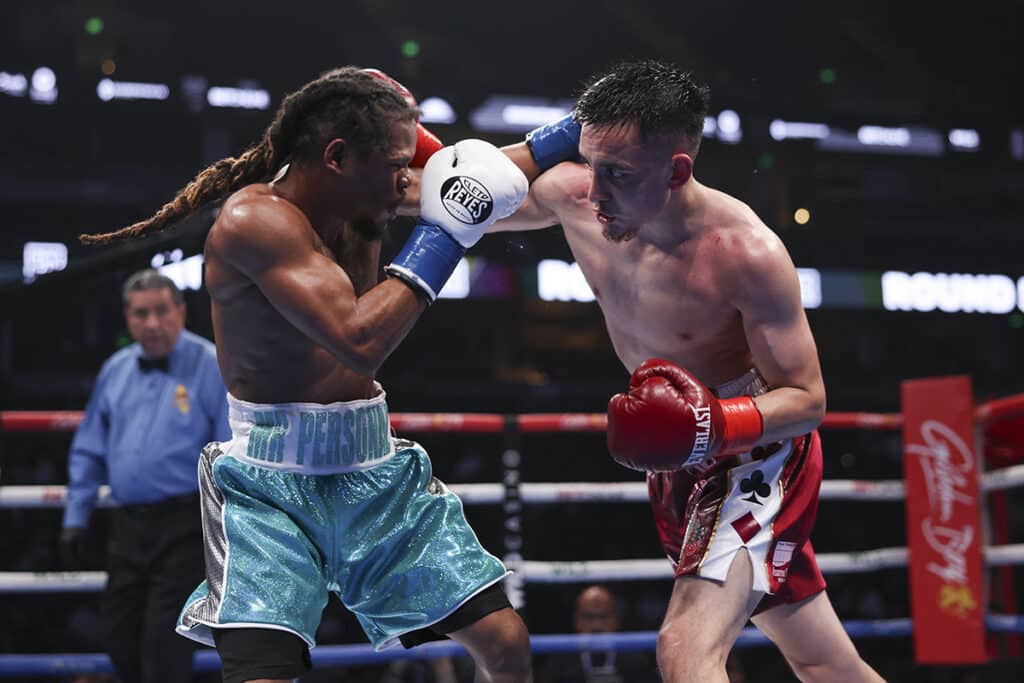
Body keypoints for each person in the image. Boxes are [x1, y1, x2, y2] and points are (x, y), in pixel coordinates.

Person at [80, 66, 532, 683]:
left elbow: (504, 172)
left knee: (506, 645)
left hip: (371, 465)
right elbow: (359, 338)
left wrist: (580, 139)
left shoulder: (371, 190)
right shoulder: (254, 222)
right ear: (339, 157)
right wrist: (447, 231)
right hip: (270, 482)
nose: (410, 178)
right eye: (398, 162)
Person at [493, 60, 884, 682]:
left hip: (758, 452)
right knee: (822, 662)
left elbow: (807, 399)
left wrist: (710, 425)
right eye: (591, 165)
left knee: (685, 648)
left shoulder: (745, 253)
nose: (594, 192)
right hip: (678, 458)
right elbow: (454, 199)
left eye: (617, 175)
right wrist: (409, 142)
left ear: (677, 171)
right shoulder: (578, 199)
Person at [60, 268, 231, 683]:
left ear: (180, 311)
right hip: (127, 528)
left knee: (164, 652)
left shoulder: (210, 363)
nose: (152, 323)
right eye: (141, 313)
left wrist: (227, 531)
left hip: (185, 528)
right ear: (127, 317)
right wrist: (75, 519)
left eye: (161, 311)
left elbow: (226, 453)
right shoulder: (115, 370)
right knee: (119, 640)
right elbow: (88, 448)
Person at [536, 585, 658, 683]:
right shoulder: (559, 662)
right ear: (577, 620)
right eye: (589, 617)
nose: (596, 625)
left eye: (603, 617)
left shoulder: (635, 660)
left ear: (616, 619)